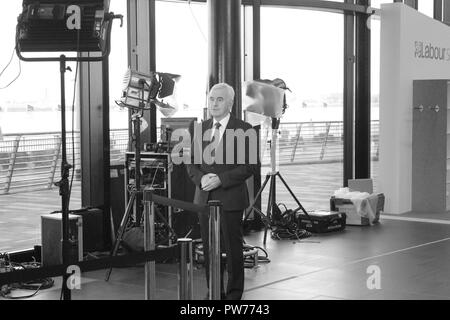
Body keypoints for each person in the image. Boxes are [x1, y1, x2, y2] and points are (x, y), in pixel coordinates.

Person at [187, 82, 259, 300]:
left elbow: (250, 166)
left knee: (233, 248)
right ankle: (214, 291)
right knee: (210, 250)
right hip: (204, 197)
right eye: (211, 99)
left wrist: (221, 180)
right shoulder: (199, 129)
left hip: (230, 198)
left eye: (219, 99)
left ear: (230, 103)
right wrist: (202, 179)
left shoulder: (245, 129)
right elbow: (191, 164)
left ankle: (234, 294)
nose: (214, 103)